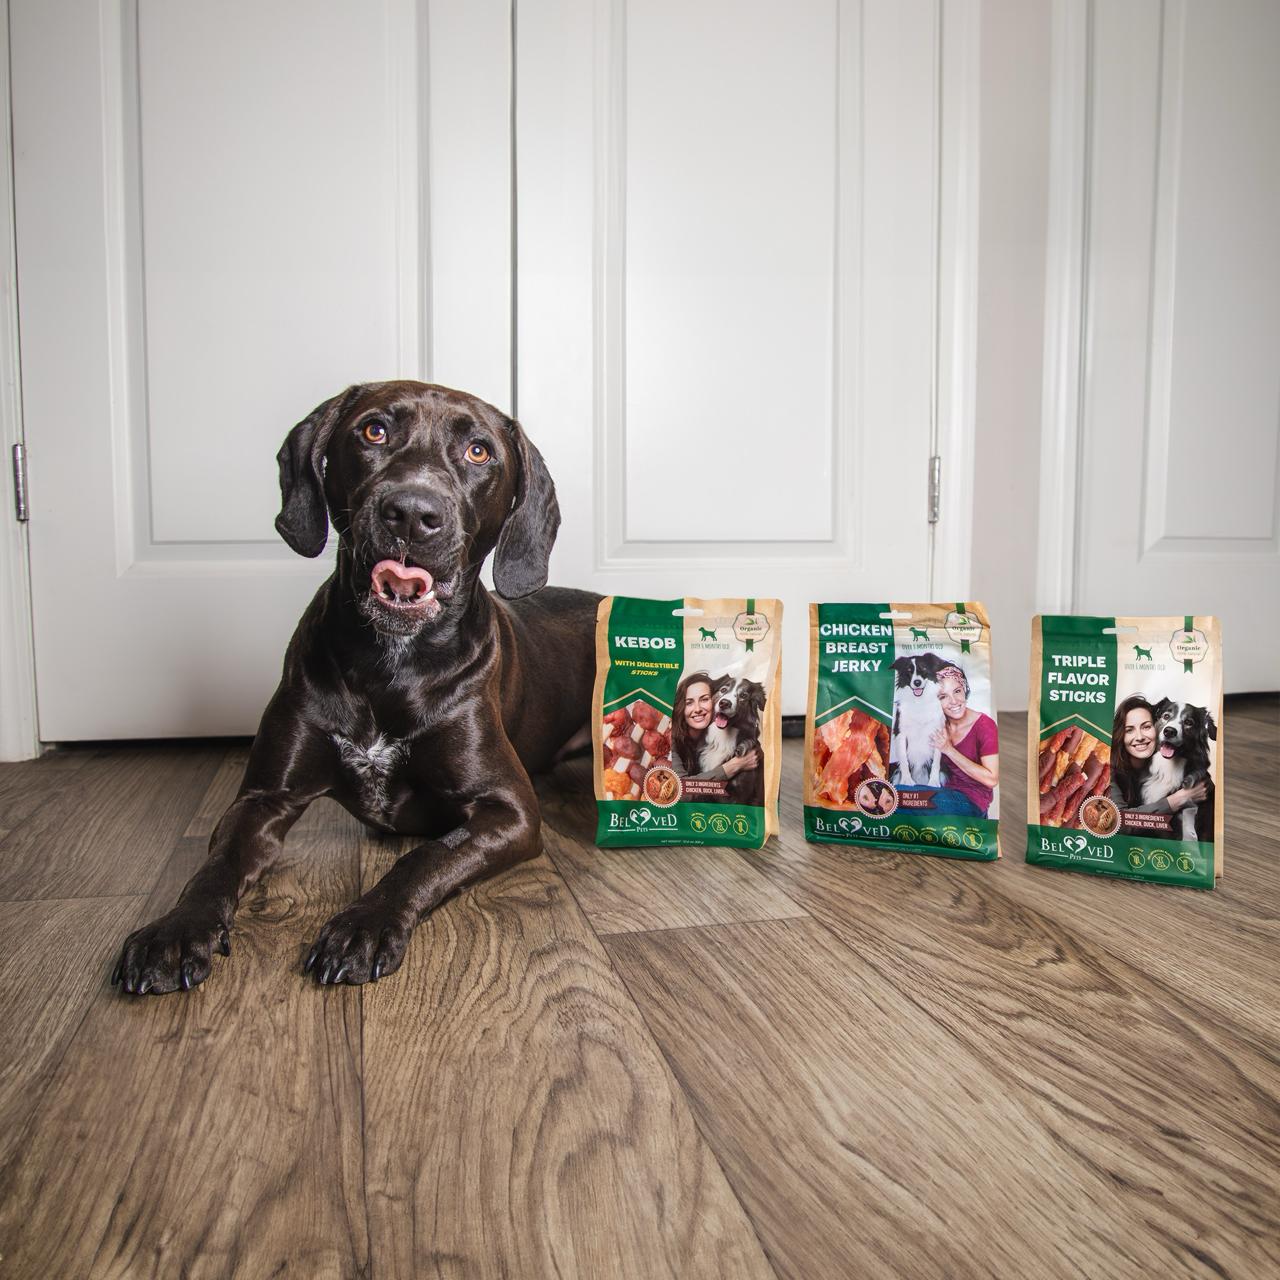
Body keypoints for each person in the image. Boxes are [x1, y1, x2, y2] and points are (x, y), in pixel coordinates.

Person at [1108, 694, 1206, 816]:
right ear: (1120, 734)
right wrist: (1177, 799)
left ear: (1156, 725)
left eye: (1146, 727)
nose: (1139, 737)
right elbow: (1117, 819)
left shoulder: (1165, 769)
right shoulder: (1107, 768)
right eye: (1129, 730)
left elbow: (1205, 785)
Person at [926, 665, 999, 817]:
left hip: (971, 801)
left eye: (957, 691)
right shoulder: (938, 724)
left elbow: (992, 779)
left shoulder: (985, 725)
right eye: (943, 696)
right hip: (942, 793)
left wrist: (948, 749)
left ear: (965, 689)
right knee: (898, 792)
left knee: (905, 800)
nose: (953, 701)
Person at [669, 670, 759, 786]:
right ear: (681, 706)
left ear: (714, 699)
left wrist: (752, 747)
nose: (697, 709)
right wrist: (735, 766)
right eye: (689, 702)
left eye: (704, 699)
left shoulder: (717, 737)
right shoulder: (670, 738)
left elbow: (754, 747)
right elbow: (679, 788)